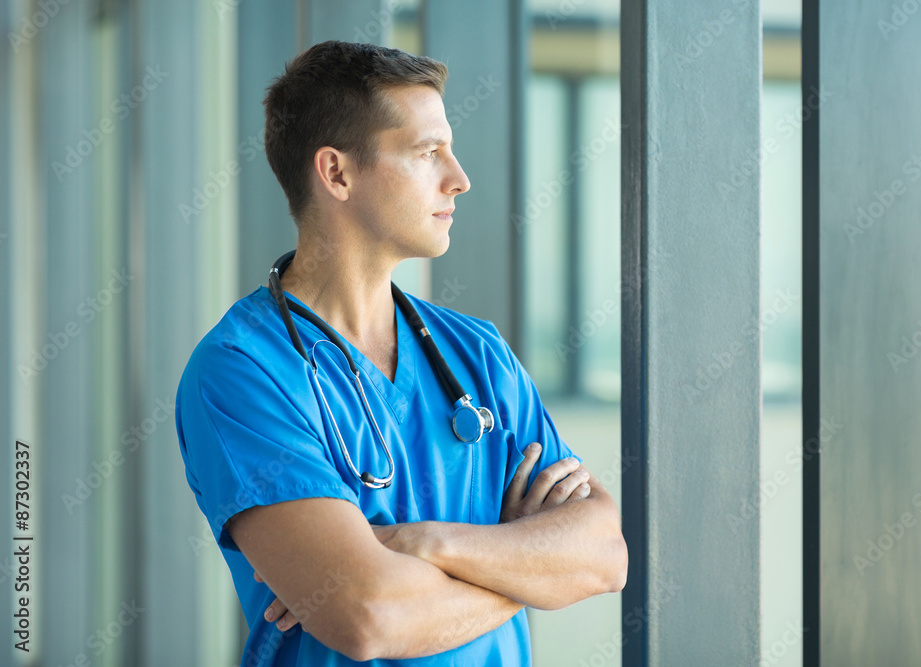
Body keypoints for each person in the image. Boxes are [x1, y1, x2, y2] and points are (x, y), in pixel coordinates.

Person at [175, 40, 627, 665]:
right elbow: (368, 616)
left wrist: (422, 544)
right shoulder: (244, 371)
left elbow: (604, 556)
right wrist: (526, 566)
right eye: (427, 153)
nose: (459, 179)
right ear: (336, 172)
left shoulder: (477, 353)